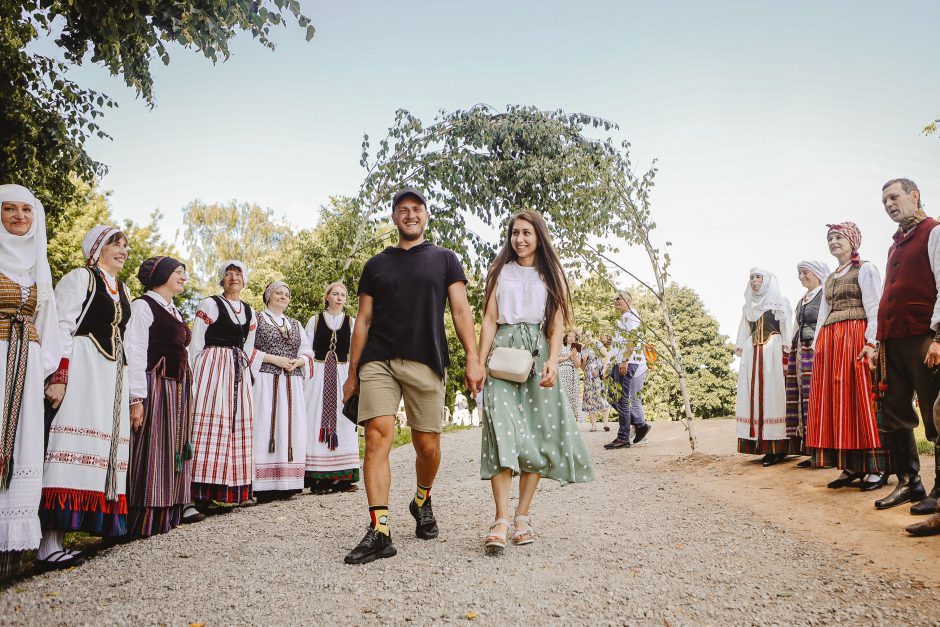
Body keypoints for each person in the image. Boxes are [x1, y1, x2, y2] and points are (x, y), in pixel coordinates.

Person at [342, 187, 484, 565]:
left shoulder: (444, 259)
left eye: (416, 209)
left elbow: (460, 312)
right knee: (376, 437)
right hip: (379, 360)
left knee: (427, 446)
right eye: (402, 210)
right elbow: (363, 321)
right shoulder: (375, 265)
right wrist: (352, 373)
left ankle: (422, 499)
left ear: (425, 216)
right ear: (393, 218)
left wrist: (473, 358)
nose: (409, 215)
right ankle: (380, 529)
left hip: (426, 358)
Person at [478, 210, 594, 555]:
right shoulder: (500, 271)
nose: (520, 239)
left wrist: (552, 361)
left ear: (538, 236)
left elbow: (556, 324)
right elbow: (488, 319)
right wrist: (478, 362)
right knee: (501, 430)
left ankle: (522, 516)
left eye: (527, 233)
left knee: (538, 434)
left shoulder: (551, 273)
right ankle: (500, 519)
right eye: (515, 233)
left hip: (538, 354)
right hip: (503, 355)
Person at [39, 226, 131, 567]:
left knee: (96, 453)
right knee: (67, 450)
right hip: (82, 369)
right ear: (96, 247)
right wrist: (59, 376)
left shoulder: (123, 288)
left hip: (110, 379)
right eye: (114, 244)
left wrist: (133, 394)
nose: (122, 250)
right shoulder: (81, 278)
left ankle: (64, 537)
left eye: (124, 245)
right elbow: (61, 325)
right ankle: (48, 543)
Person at [0, 185, 61, 574]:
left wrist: (46, 368)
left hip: (29, 357)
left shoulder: (38, 265)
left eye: (26, 209)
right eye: (9, 209)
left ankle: (11, 552)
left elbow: (47, 319)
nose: (19, 216)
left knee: (23, 443)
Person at [806, 223, 886, 490]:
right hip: (832, 342)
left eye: (839, 237)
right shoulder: (829, 278)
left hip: (855, 338)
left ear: (852, 241)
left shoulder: (865, 268)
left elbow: (875, 306)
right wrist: (818, 344)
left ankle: (876, 467)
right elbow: (822, 314)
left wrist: (872, 341)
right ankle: (850, 465)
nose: (833, 242)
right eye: (830, 238)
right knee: (839, 403)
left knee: (860, 398)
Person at [124, 256, 193, 537]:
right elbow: (136, 349)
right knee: (154, 446)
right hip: (156, 383)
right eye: (178, 272)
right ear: (163, 274)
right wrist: (136, 397)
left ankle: (169, 511)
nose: (183, 278)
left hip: (177, 385)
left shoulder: (173, 310)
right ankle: (145, 518)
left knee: (173, 446)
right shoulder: (143, 306)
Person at [184, 261, 257, 523]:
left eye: (238, 274)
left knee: (234, 428)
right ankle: (194, 495)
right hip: (212, 368)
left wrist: (247, 374)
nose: (233, 277)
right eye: (229, 273)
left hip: (236, 371)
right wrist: (194, 376)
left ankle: (224, 491)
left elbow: (249, 347)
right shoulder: (210, 304)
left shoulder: (250, 311)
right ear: (221, 279)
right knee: (209, 427)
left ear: (244, 280)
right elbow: (196, 343)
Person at [250, 281, 314, 501]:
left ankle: (288, 483)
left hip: (291, 382)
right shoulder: (256, 319)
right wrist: (274, 359)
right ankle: (263, 486)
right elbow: (247, 349)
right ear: (268, 295)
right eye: (278, 292)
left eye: (287, 294)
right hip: (266, 381)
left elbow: (308, 353)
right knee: (265, 425)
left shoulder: (295, 324)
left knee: (290, 427)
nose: (283, 296)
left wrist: (298, 362)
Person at [303, 281, 360, 495]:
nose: (339, 298)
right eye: (335, 294)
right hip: (318, 376)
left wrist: (356, 378)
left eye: (342, 295)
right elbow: (306, 349)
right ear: (327, 296)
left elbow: (356, 350)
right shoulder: (315, 321)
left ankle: (342, 476)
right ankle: (318, 476)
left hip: (342, 374)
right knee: (316, 419)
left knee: (344, 421)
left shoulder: (352, 322)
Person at [734, 269, 793, 466]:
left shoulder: (778, 301)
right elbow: (744, 329)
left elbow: (785, 326)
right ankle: (760, 444)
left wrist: (786, 351)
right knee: (756, 396)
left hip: (772, 351)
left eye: (758, 277)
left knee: (773, 395)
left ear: (767, 280)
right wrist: (742, 345)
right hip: (753, 353)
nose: (754, 280)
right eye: (751, 277)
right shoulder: (748, 305)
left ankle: (777, 447)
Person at [786, 260, 830, 466]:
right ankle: (811, 450)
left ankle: (825, 452)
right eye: (799, 273)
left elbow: (825, 322)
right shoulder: (802, 299)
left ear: (818, 274)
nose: (802, 277)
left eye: (805, 272)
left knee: (817, 397)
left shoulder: (825, 295)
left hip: (816, 349)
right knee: (804, 399)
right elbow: (796, 326)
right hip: (800, 350)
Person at [604, 291, 651, 449]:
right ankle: (639, 424)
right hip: (619, 362)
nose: (615, 301)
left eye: (618, 298)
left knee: (623, 400)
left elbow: (633, 337)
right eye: (614, 299)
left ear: (628, 300)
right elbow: (620, 343)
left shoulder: (632, 315)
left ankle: (623, 438)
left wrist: (625, 359)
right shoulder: (622, 319)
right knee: (612, 395)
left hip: (629, 361)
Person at [580, 330, 610, 432]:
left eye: (587, 336)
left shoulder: (597, 344)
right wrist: (583, 361)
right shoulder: (583, 349)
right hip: (588, 375)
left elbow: (607, 355)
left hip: (598, 373)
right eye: (583, 337)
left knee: (601, 396)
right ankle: (594, 425)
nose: (586, 339)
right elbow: (583, 367)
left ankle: (606, 423)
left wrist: (605, 370)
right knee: (590, 398)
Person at [557, 330, 583, 422]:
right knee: (563, 395)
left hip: (573, 374)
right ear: (566, 338)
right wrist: (566, 357)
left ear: (575, 338)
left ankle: (572, 419)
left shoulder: (577, 349)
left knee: (573, 396)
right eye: (569, 336)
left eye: (573, 337)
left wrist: (575, 356)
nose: (571, 338)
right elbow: (555, 359)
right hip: (562, 372)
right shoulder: (561, 347)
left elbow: (577, 365)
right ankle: (562, 417)